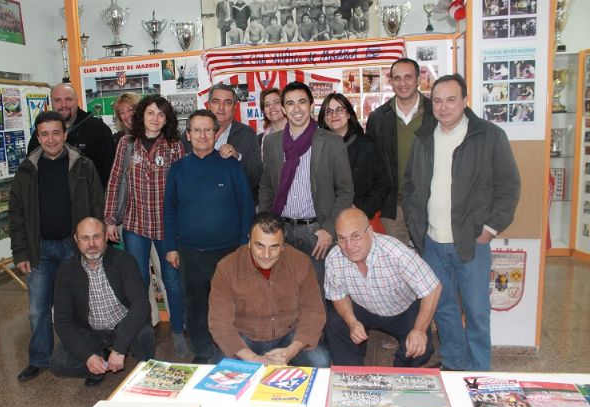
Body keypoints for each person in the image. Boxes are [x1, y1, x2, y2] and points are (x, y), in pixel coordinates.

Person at [403, 74, 521, 371]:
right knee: (443, 310)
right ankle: (454, 365)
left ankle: (479, 371)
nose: (443, 108)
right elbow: (411, 184)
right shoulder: (424, 137)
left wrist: (491, 228)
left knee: (477, 311)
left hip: (470, 242)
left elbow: (509, 186)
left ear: (465, 101)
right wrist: (418, 228)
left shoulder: (489, 135)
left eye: (451, 100)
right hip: (432, 242)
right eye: (438, 101)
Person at [9, 111, 104, 382]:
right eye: (44, 134)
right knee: (38, 309)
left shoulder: (84, 165)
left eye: (56, 133)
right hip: (40, 250)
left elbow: (97, 207)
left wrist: (94, 247)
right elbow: (16, 215)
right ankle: (39, 359)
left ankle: (92, 361)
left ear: (65, 134)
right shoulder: (27, 170)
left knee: (82, 307)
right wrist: (21, 252)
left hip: (74, 249)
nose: (51, 139)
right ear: (37, 137)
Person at [165, 109, 255, 364]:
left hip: (228, 252)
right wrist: (171, 247)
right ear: (188, 135)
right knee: (195, 307)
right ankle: (203, 353)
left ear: (216, 134)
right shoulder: (178, 169)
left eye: (208, 130)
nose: (202, 135)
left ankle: (232, 349)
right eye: (197, 130)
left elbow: (246, 207)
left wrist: (244, 246)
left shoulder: (231, 166)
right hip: (190, 253)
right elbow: (169, 210)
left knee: (230, 305)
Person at [104, 95, 188, 358]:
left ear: (167, 119)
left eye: (161, 114)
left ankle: (177, 331)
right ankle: (142, 333)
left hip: (167, 226)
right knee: (138, 281)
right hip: (135, 224)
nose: (155, 119)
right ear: (141, 115)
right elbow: (115, 180)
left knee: (172, 280)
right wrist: (109, 219)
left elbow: (183, 187)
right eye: (150, 113)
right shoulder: (127, 144)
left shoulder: (175, 146)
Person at [258, 81, 353, 289]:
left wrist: (329, 229)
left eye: (302, 102)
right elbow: (266, 185)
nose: (296, 109)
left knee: (317, 293)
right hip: (281, 230)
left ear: (311, 105)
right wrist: (266, 224)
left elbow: (346, 191)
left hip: (317, 232)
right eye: (290, 103)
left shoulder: (331, 141)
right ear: (283, 109)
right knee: (284, 290)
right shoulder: (273, 142)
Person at [324, 208, 442, 366]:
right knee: (335, 322)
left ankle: (399, 373)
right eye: (342, 238)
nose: (349, 246)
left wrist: (419, 330)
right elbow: (338, 295)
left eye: (355, 236)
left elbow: (432, 287)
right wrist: (352, 322)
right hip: (363, 307)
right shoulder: (334, 258)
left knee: (421, 348)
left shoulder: (396, 252)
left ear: (370, 232)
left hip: (402, 310)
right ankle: (352, 372)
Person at [209, 212, 329, 367]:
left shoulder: (301, 262)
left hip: (290, 335)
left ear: (283, 246)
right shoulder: (227, 268)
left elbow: (314, 312)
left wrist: (291, 351)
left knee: (321, 361)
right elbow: (220, 324)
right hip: (244, 338)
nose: (266, 255)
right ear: (250, 242)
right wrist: (255, 360)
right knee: (223, 370)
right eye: (260, 245)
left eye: (274, 247)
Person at [50, 218, 155, 387]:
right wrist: (87, 356)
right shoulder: (66, 271)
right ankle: (97, 365)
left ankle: (147, 369)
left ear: (106, 236)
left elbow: (140, 305)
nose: (92, 244)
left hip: (123, 323)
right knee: (59, 364)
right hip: (90, 331)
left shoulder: (124, 260)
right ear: (76, 240)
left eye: (97, 236)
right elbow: (62, 321)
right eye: (85, 238)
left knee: (145, 333)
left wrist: (120, 348)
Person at [365, 58, 434, 246]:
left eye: (408, 77)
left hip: (428, 204)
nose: (402, 83)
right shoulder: (378, 118)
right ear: (391, 81)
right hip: (392, 208)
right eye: (397, 78)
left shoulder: (435, 113)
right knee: (398, 265)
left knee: (430, 262)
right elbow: (371, 165)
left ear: (418, 79)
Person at [182, 83, 262, 204]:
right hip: (197, 206)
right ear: (209, 105)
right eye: (216, 101)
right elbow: (180, 174)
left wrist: (238, 158)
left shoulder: (247, 134)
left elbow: (256, 179)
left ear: (234, 106)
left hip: (234, 208)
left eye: (227, 102)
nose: (221, 107)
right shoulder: (191, 134)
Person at [317, 93, 390, 221]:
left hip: (361, 217)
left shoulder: (367, 145)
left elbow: (383, 184)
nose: (334, 114)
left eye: (340, 109)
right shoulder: (317, 149)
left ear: (349, 114)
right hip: (326, 219)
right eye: (328, 111)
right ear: (323, 118)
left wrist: (361, 210)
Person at [27, 83, 114, 188]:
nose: (63, 105)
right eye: (58, 100)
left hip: (88, 201)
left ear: (76, 101)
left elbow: (111, 173)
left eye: (68, 99)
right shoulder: (42, 132)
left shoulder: (98, 129)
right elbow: (30, 169)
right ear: (51, 102)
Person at [259, 87, 287, 158]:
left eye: (276, 102)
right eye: (267, 105)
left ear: (284, 105)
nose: (271, 107)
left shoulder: (299, 132)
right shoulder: (260, 139)